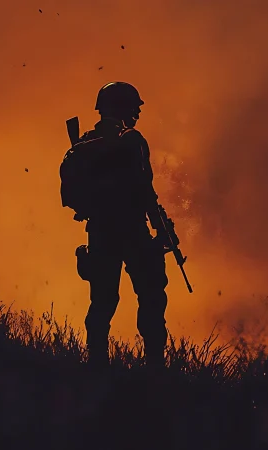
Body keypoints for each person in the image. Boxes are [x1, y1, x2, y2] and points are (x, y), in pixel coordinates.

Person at [73, 82, 171, 367]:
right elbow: (144, 188)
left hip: (100, 231)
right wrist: (159, 228)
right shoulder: (132, 139)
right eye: (134, 107)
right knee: (151, 294)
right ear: (123, 108)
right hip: (132, 229)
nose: (138, 112)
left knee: (102, 300)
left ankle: (96, 362)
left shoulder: (84, 143)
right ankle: (155, 364)